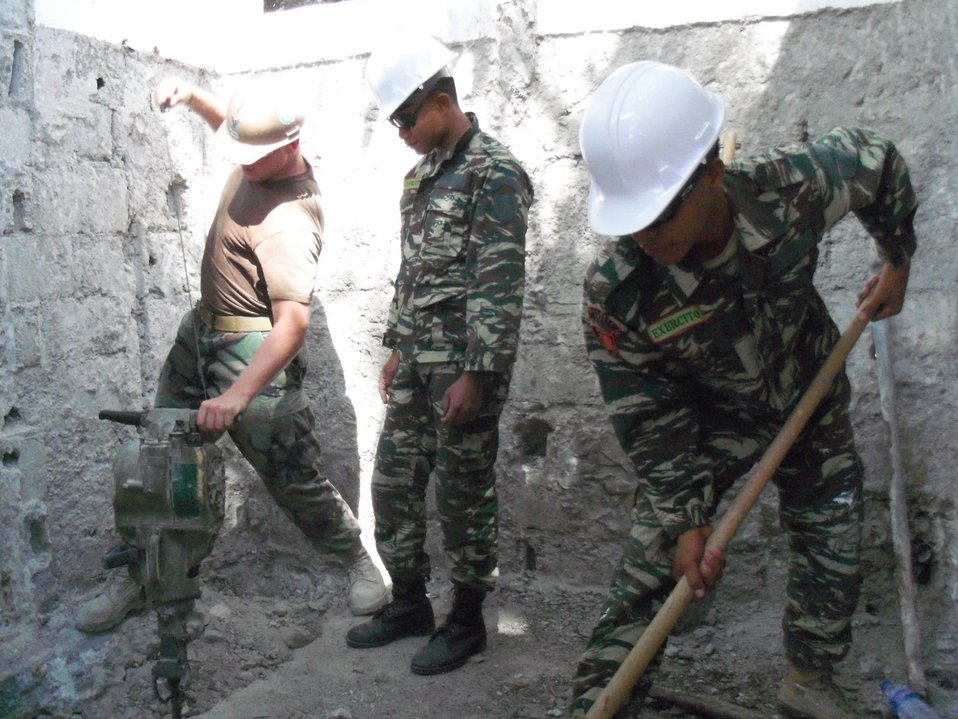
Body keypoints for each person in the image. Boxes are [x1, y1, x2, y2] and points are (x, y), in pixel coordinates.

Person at [571, 61, 917, 719]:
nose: (649, 236)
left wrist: (895, 258)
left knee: (835, 533)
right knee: (654, 565)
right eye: (633, 221)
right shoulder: (618, 292)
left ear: (712, 172)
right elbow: (648, 413)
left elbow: (880, 164)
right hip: (707, 419)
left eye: (662, 214)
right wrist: (685, 517)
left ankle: (809, 679)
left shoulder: (791, 193)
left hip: (808, 389)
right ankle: (599, 705)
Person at [75, 77, 388, 633]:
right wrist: (195, 98)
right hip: (200, 332)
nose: (240, 162)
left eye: (253, 156)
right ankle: (142, 572)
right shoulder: (260, 153)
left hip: (252, 348)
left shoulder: (290, 220)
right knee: (160, 454)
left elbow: (292, 326)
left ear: (290, 147)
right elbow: (236, 130)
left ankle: (358, 560)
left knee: (292, 475)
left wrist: (238, 395)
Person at [345, 37, 533, 676]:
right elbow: (413, 270)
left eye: (406, 118)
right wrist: (397, 345)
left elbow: (500, 281)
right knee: (393, 484)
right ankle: (410, 603)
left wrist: (478, 376)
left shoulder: (496, 172)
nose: (400, 133)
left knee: (462, 495)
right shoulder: (421, 177)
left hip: (463, 371)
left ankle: (467, 619)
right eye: (393, 121)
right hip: (418, 363)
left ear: (444, 101)